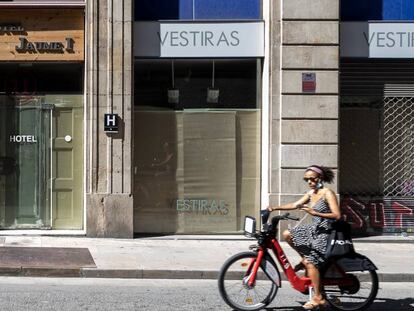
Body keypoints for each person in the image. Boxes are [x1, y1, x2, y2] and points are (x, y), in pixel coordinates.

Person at [268, 165, 341, 310]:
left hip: (326, 232)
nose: (309, 182)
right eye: (306, 179)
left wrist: (315, 213)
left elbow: (337, 215)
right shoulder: (311, 193)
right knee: (287, 234)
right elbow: (295, 204)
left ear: (319, 178)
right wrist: (274, 208)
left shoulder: (328, 193)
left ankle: (318, 297)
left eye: (311, 179)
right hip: (314, 230)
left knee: (310, 263)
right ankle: (305, 258)